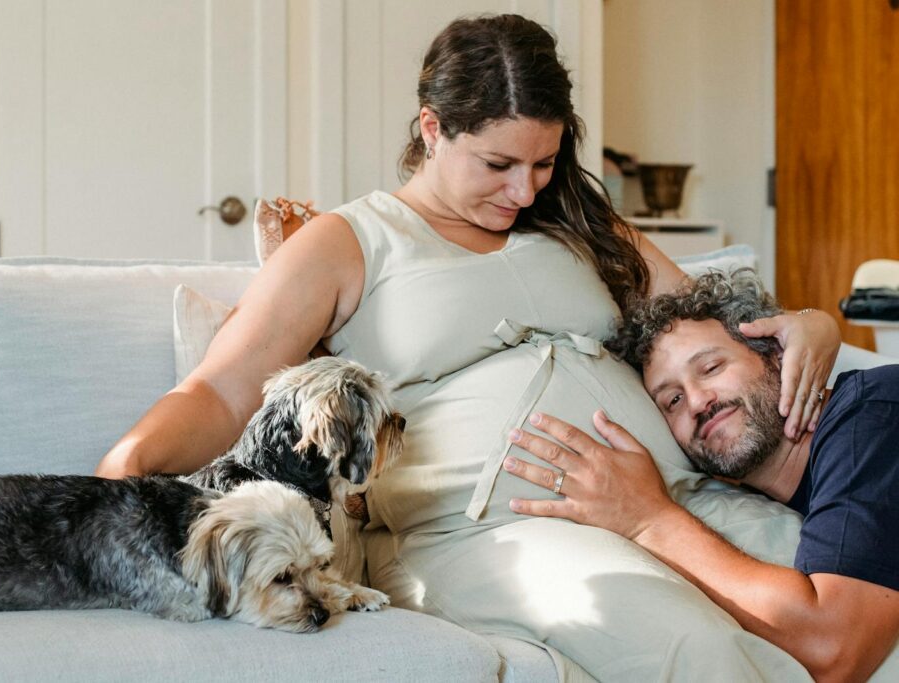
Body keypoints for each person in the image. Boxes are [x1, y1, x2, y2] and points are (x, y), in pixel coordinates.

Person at [97, 14, 840, 681]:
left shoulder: (575, 223)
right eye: (498, 164)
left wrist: (814, 324)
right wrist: (123, 470)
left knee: (855, 613)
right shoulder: (351, 243)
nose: (523, 190)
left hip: (671, 495)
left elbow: (707, 324)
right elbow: (225, 392)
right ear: (431, 128)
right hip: (496, 531)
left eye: (543, 163)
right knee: (696, 650)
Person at [505, 269, 899, 682]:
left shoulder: (872, 416)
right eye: (671, 400)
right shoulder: (786, 490)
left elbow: (833, 648)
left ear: (777, 355)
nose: (696, 401)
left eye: (710, 367)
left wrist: (649, 519)